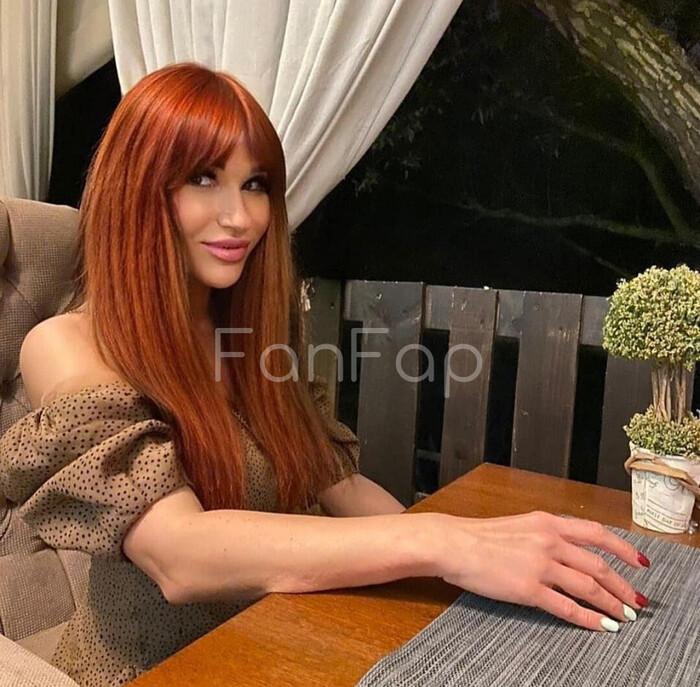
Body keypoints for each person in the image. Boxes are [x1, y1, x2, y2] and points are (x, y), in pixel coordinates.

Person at [0, 63, 649, 687]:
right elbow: (179, 555)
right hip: (155, 669)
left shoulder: (252, 339)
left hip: (280, 641)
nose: (240, 217)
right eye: (203, 177)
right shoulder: (64, 345)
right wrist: (440, 541)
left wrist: (476, 559)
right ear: (136, 188)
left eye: (256, 184)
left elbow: (339, 483)